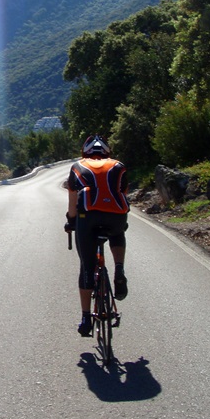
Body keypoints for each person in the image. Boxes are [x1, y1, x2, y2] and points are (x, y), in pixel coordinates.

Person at [64, 134, 130, 337]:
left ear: (85, 152)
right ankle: (119, 270)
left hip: (88, 217)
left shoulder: (77, 166)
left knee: (87, 266)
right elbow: (124, 195)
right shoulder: (118, 166)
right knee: (118, 233)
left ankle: (86, 319)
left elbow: (73, 201)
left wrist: (71, 221)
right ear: (107, 152)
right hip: (116, 216)